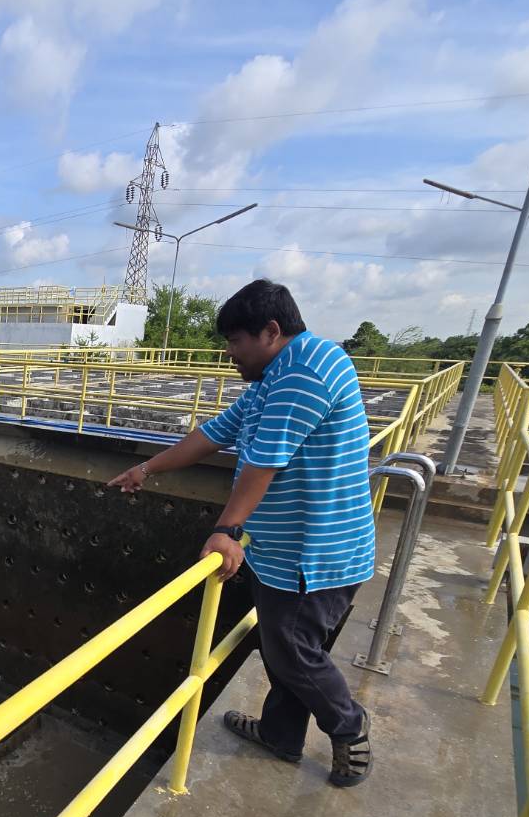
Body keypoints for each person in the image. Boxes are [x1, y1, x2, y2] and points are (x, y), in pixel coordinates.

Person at [108, 279, 375, 787]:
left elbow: (264, 461)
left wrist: (227, 529)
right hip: (286, 549)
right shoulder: (272, 381)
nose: (229, 354)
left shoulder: (307, 371)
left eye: (235, 341)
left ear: (271, 332)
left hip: (314, 555)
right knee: (284, 652)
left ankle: (348, 723)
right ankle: (280, 735)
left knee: (293, 653)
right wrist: (148, 469)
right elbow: (212, 433)